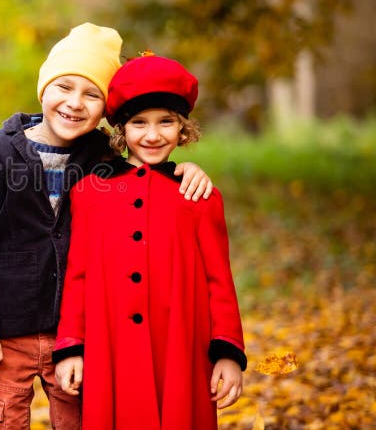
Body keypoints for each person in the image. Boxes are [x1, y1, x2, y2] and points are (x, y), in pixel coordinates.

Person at [0, 23, 214, 429]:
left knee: (78, 421)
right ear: (44, 89)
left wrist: (183, 170)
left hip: (79, 336)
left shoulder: (101, 155)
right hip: (7, 333)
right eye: (64, 87)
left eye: (91, 94)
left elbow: (146, 176)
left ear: (106, 110)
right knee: (3, 419)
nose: (75, 103)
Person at [54, 54, 246, 429]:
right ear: (121, 131)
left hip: (182, 351)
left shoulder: (200, 196)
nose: (153, 135)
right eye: (139, 123)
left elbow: (219, 280)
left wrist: (227, 351)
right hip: (111, 351)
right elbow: (78, 275)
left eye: (166, 122)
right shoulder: (90, 192)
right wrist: (71, 347)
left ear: (183, 129)